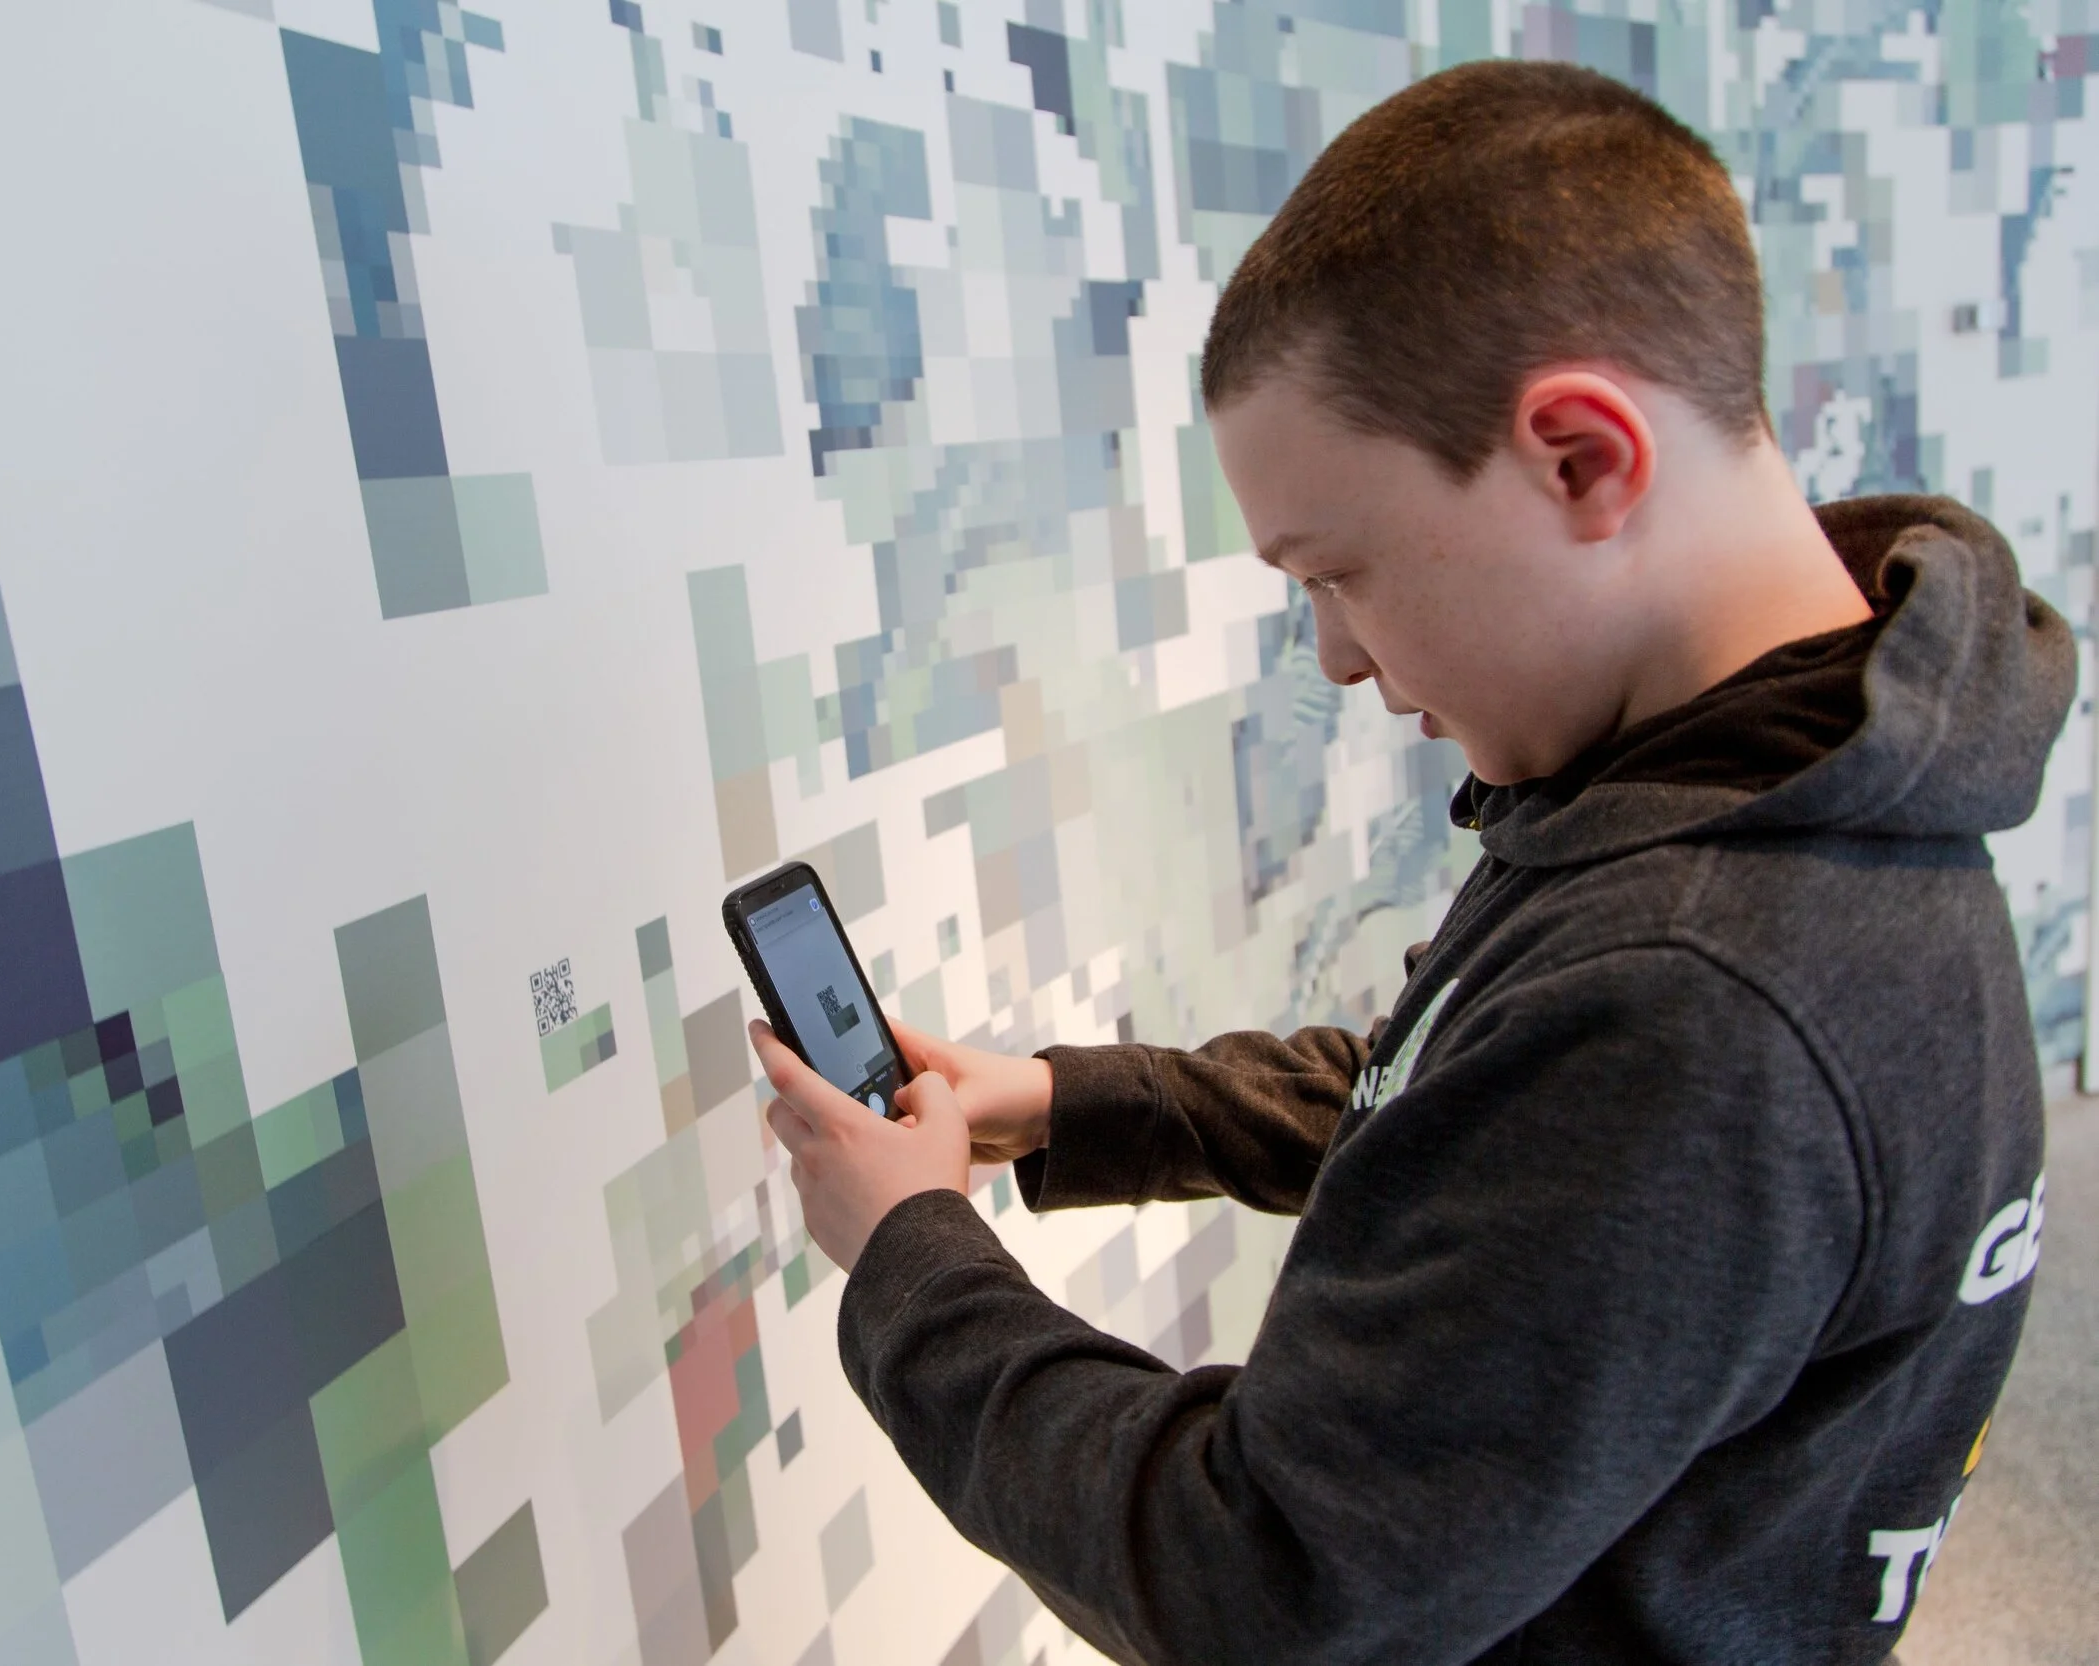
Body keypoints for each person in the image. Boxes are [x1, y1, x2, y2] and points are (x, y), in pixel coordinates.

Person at [749, 58, 2068, 1665]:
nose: (1340, 655)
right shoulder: (1770, 784)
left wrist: (910, 1261)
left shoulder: (1697, 995)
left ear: (1581, 458)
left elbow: (1262, 1582)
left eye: (1339, 571)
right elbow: (1476, 1107)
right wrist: (1066, 1101)